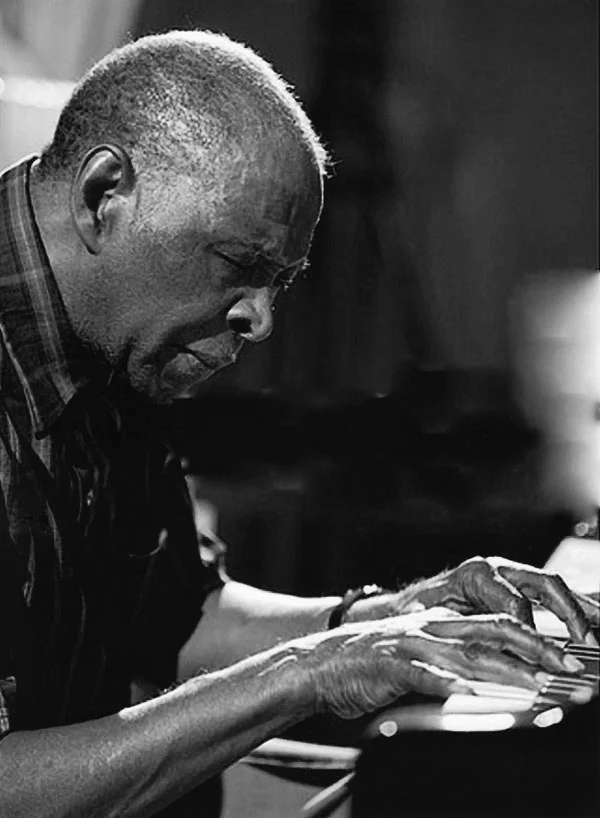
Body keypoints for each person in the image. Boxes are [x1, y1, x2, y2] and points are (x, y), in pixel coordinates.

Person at [0, 30, 597, 817]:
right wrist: (308, 671)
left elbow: (177, 614)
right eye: (240, 265)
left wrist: (387, 620)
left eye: (279, 281)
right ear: (103, 193)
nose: (262, 321)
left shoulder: (122, 335)